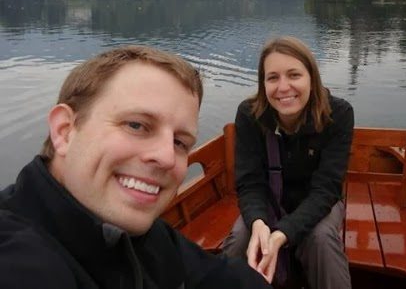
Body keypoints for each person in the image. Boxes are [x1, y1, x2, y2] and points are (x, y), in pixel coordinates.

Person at [0, 45, 271, 289]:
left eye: (179, 142)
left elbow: (225, 278)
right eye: (136, 125)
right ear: (65, 131)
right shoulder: (22, 264)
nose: (166, 157)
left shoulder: (140, 233)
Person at [222, 36, 353, 289]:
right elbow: (250, 183)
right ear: (263, 84)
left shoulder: (338, 114)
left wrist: (283, 233)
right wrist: (259, 223)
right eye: (273, 78)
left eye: (294, 75)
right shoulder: (250, 115)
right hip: (267, 200)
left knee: (321, 239)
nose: (283, 87)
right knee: (241, 238)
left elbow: (327, 189)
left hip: (317, 202)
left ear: (311, 78)